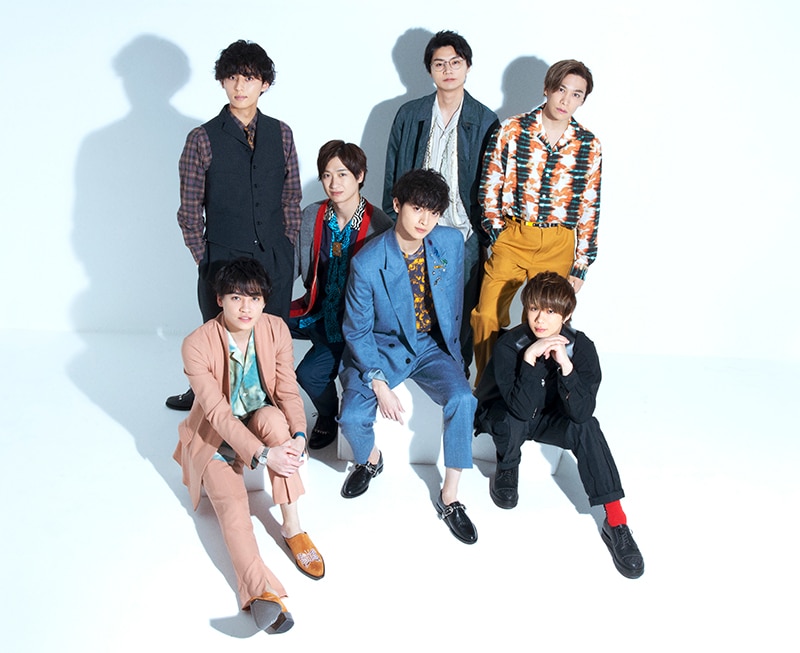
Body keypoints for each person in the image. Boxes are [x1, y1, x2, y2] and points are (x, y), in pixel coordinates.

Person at [173, 258, 325, 634]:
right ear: (220, 299)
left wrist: (299, 436)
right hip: (215, 439)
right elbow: (218, 413)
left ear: (264, 301)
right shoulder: (196, 345)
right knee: (233, 509)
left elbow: (287, 389)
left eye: (254, 298)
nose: (246, 308)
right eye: (236, 298)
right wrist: (263, 455)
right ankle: (261, 593)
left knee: (276, 421)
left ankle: (292, 528)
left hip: (259, 420)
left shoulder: (275, 329)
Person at [338, 168, 478, 544]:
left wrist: (457, 355)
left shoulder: (450, 242)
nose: (424, 220)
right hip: (383, 347)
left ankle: (450, 496)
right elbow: (357, 330)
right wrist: (378, 382)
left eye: (433, 212)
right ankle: (371, 460)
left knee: (463, 399)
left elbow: (456, 302)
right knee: (352, 417)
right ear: (397, 204)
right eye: (417, 208)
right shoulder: (367, 263)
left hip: (431, 346)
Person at [474, 271, 644, 578]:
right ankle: (508, 467)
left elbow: (581, 412)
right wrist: (530, 358)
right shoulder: (510, 345)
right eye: (533, 308)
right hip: (510, 415)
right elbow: (520, 408)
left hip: (549, 418)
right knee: (511, 418)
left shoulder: (582, 348)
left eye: (550, 311)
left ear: (566, 315)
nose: (540, 319)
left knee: (588, 426)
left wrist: (566, 365)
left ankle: (616, 521)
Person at [167, 39, 302, 410]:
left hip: (274, 256)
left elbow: (291, 198)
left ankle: (271, 406)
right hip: (223, 258)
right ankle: (206, 394)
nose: (240, 86)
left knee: (271, 339)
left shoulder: (282, 133)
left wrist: (287, 246)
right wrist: (206, 258)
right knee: (221, 338)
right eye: (232, 78)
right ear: (222, 81)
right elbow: (189, 211)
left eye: (249, 78)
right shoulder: (202, 139)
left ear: (265, 84)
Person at [471, 59, 601, 382]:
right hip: (514, 235)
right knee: (486, 314)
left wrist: (581, 265)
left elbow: (590, 206)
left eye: (576, 94)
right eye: (561, 90)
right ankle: (489, 388)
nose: (566, 100)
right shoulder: (513, 129)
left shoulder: (589, 145)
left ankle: (533, 390)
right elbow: (490, 184)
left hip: (559, 242)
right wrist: (497, 233)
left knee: (548, 322)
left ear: (583, 100)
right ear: (547, 88)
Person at [384, 30, 498, 375]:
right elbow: (392, 172)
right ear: (429, 69)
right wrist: (394, 220)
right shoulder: (410, 114)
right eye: (439, 64)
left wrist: (486, 235)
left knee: (459, 311)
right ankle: (404, 369)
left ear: (467, 66)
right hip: (414, 227)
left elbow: (493, 182)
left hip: (462, 232)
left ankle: (456, 373)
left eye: (455, 62)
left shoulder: (485, 120)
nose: (448, 70)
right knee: (409, 304)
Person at [290, 141, 393, 449]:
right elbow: (293, 266)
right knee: (257, 320)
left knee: (309, 374)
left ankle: (326, 413)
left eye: (342, 174)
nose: (333, 183)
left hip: (350, 324)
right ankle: (260, 404)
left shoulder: (380, 226)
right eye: (327, 175)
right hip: (314, 309)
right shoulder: (313, 215)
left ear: (360, 176)